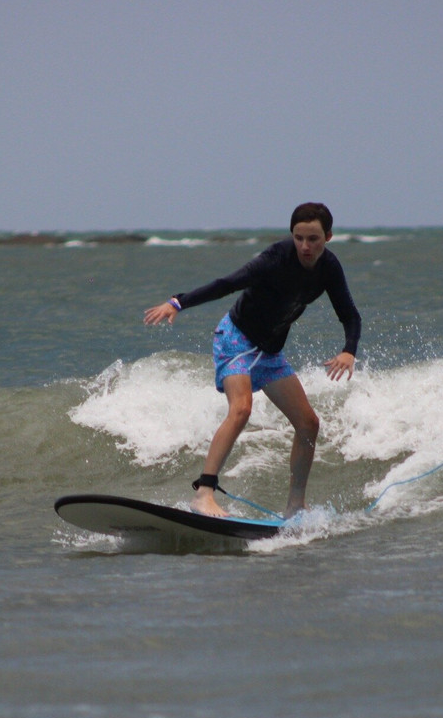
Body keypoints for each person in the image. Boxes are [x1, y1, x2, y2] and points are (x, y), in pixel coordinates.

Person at [144, 202, 362, 518]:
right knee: (242, 408)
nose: (305, 246)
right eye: (299, 237)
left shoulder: (328, 267)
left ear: (327, 236)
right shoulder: (275, 258)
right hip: (235, 340)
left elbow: (349, 314)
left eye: (313, 239)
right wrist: (178, 302)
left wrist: (349, 350)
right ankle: (204, 494)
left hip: (269, 353)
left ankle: (295, 505)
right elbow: (227, 284)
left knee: (308, 423)